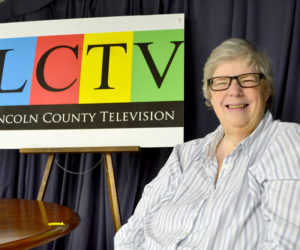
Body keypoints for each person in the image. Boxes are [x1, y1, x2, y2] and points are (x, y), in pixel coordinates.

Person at [114, 38, 300, 249]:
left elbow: (288, 243)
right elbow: (131, 234)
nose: (234, 91)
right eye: (221, 82)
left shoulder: (287, 141)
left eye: (247, 80)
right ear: (210, 95)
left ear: (266, 91)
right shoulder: (184, 154)